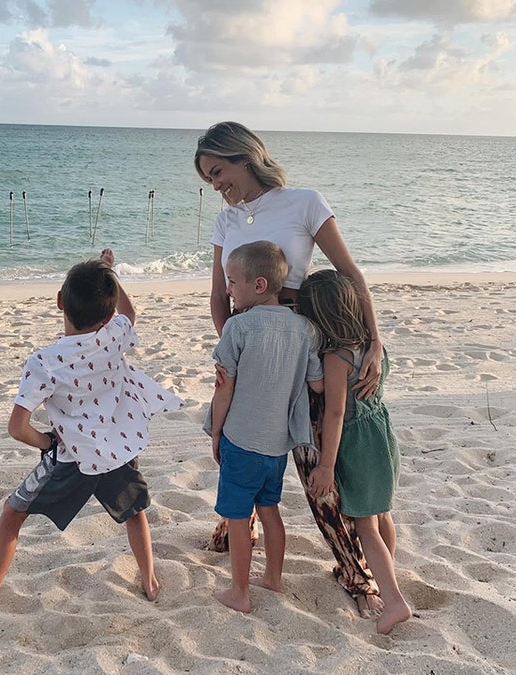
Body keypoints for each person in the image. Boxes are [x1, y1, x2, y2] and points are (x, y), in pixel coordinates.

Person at [194, 120, 387, 616]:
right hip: (251, 353)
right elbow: (219, 295)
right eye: (207, 179)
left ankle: (355, 572)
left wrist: (375, 340)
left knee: (315, 464)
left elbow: (349, 274)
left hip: (305, 348)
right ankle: (235, 529)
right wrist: (235, 348)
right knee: (242, 443)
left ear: (244, 157)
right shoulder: (226, 221)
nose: (216, 185)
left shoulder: (304, 202)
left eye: (218, 171)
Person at [0, 249, 184, 612]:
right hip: (116, 451)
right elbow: (130, 315)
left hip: (70, 457)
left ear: (59, 302)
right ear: (109, 313)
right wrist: (110, 273)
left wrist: (46, 442)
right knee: (134, 511)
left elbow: (17, 427)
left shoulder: (45, 361)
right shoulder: (114, 336)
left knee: (12, 515)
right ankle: (149, 581)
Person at [209, 241, 323, 613]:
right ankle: (273, 577)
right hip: (277, 445)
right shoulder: (305, 330)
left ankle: (239, 592)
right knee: (270, 511)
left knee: (238, 518)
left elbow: (224, 390)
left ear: (258, 285)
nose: (227, 290)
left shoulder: (238, 328)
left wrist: (215, 431)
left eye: (232, 282)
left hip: (241, 440)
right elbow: (317, 383)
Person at [298, 268, 411, 634]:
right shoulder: (374, 347)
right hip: (383, 438)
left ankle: (394, 602)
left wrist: (327, 465)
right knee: (382, 516)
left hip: (357, 446)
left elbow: (334, 412)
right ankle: (386, 575)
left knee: (364, 526)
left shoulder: (337, 357)